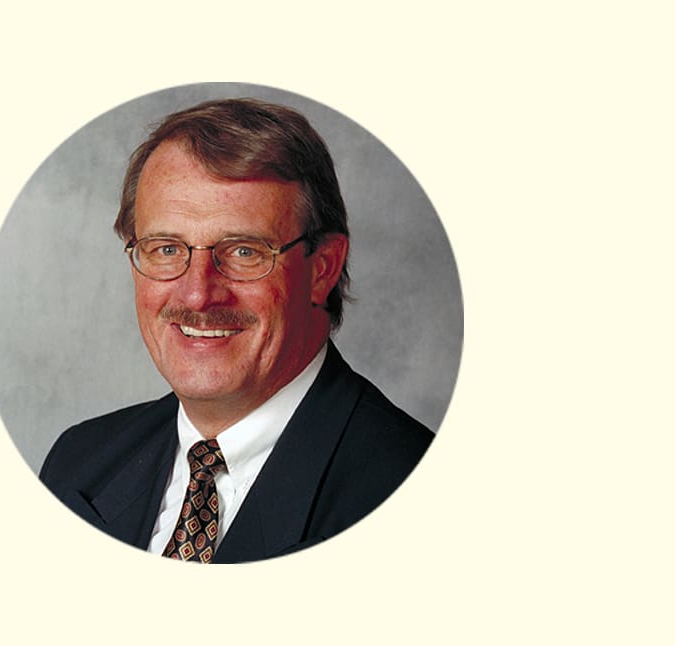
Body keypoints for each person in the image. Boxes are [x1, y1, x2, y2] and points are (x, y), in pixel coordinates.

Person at [39, 98, 433, 563]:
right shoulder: (78, 462)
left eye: (245, 252)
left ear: (322, 268)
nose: (197, 295)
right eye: (166, 249)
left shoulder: (407, 486)